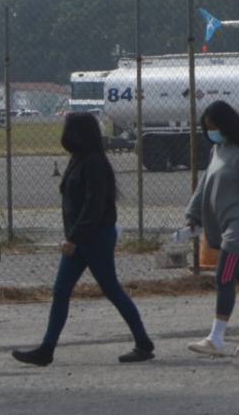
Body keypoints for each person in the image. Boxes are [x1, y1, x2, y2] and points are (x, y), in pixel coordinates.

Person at [11, 112, 153, 366]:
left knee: (110, 289)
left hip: (94, 238)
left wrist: (74, 238)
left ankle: (143, 342)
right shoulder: (79, 159)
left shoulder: (94, 163)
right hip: (81, 237)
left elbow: (93, 206)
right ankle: (47, 349)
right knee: (62, 291)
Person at [182, 101, 239, 356]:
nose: (211, 132)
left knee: (224, 277)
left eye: (214, 127)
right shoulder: (218, 151)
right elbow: (205, 186)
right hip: (226, 228)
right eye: (207, 128)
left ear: (226, 125)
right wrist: (193, 215)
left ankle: (216, 339)